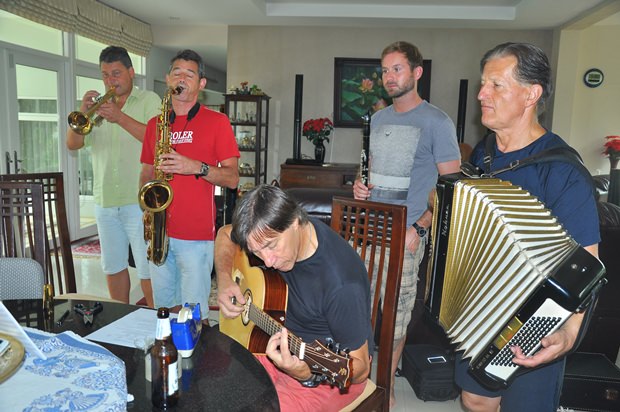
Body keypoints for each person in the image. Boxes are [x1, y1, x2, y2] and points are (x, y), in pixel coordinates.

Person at [455, 42, 600, 412]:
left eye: (496, 85)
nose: (482, 95)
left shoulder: (563, 172)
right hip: (480, 310)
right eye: (482, 84)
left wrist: (568, 332)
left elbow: (585, 265)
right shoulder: (483, 155)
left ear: (531, 94)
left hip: (537, 316)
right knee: (475, 398)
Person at [352, 40, 461, 407]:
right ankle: (362, 379)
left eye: (396, 69)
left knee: (395, 318)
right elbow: (366, 170)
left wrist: (421, 227)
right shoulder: (378, 118)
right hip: (367, 234)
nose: (389, 77)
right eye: (384, 70)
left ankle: (386, 386)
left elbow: (451, 189)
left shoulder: (437, 122)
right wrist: (359, 186)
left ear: (417, 72)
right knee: (360, 311)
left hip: (407, 235)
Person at [215, 184, 372, 411]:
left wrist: (305, 373)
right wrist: (224, 280)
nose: (267, 261)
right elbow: (224, 234)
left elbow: (360, 370)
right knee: (211, 388)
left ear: (296, 222)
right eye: (256, 252)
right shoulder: (270, 231)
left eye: (271, 246)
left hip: (327, 374)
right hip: (269, 343)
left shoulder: (342, 284)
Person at [140, 49, 239, 317]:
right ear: (167, 79)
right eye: (176, 72)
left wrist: (196, 167)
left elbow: (232, 178)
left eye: (189, 74)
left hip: (196, 235)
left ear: (201, 84)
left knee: (194, 315)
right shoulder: (154, 124)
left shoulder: (218, 122)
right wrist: (147, 209)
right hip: (159, 231)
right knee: (164, 310)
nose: (181, 78)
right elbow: (147, 172)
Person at [67, 46, 161, 306]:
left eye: (116, 73)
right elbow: (72, 144)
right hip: (105, 200)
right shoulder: (98, 108)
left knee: (146, 268)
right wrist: (84, 112)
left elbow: (156, 139)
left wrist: (119, 117)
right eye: (105, 75)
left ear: (131, 72)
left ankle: (154, 325)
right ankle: (119, 318)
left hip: (138, 200)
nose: (110, 80)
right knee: (113, 266)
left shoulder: (149, 100)